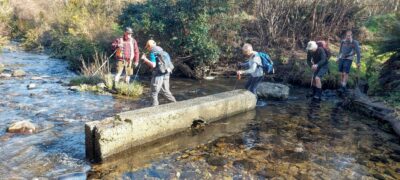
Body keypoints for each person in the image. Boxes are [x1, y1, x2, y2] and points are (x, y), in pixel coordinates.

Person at [141, 40, 177, 106]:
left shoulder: (152, 52)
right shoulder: (162, 51)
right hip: (167, 72)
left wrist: (145, 59)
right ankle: (175, 105)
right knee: (166, 91)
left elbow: (153, 65)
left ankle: (154, 108)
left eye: (147, 47)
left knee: (154, 92)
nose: (147, 49)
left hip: (158, 74)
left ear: (149, 46)